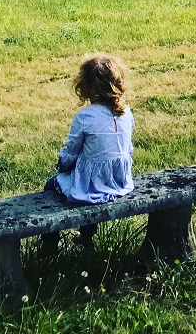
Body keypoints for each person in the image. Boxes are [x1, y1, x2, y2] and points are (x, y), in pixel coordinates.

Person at [41, 53, 134, 250]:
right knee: (92, 179)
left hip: (93, 186)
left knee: (51, 186)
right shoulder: (126, 112)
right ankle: (86, 237)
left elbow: (72, 152)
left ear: (85, 87)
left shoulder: (85, 117)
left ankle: (49, 244)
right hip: (120, 181)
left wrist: (63, 165)